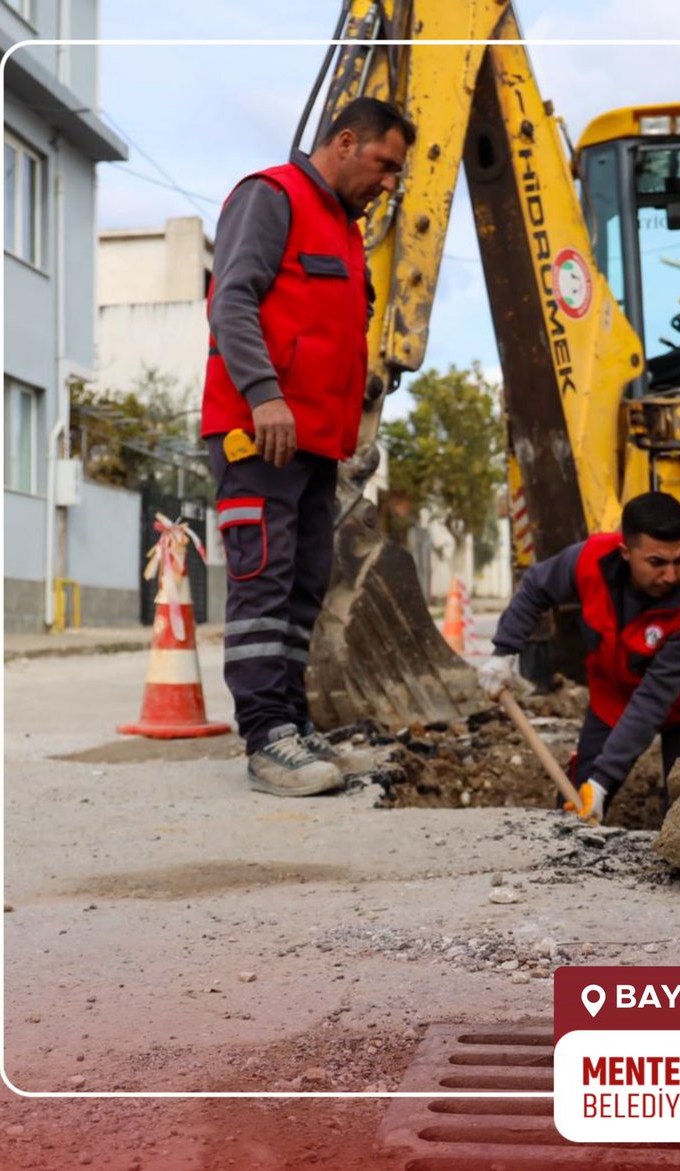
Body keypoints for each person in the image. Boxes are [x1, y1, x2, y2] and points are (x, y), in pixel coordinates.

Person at [201, 98, 415, 796]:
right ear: (345, 141)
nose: (389, 183)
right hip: (257, 431)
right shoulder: (271, 198)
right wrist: (264, 393)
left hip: (316, 444)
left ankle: (292, 725)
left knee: (301, 586)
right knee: (263, 583)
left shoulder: (348, 232)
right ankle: (266, 739)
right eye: (383, 165)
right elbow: (231, 301)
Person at [478, 493, 680, 823]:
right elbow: (536, 587)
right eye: (657, 562)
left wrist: (602, 782)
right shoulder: (590, 560)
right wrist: (505, 651)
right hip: (614, 693)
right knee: (572, 811)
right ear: (625, 552)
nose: (671, 575)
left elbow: (653, 701)